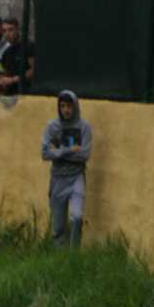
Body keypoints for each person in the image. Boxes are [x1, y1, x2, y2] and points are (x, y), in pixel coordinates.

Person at [41, 90, 92, 248]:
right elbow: (45, 153)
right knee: (58, 229)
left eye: (69, 106)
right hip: (57, 179)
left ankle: (74, 255)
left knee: (76, 217)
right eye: (62, 106)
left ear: (75, 106)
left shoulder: (84, 127)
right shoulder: (52, 126)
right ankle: (60, 258)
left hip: (76, 177)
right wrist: (69, 150)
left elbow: (84, 155)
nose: (66, 110)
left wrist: (57, 152)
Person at [0, 16, 35, 97]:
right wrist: (1, 84)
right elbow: (5, 74)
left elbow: (35, 70)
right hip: (10, 98)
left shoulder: (28, 46)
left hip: (27, 95)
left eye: (10, 30)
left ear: (18, 30)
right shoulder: (6, 52)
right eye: (4, 31)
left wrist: (13, 80)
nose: (7, 34)